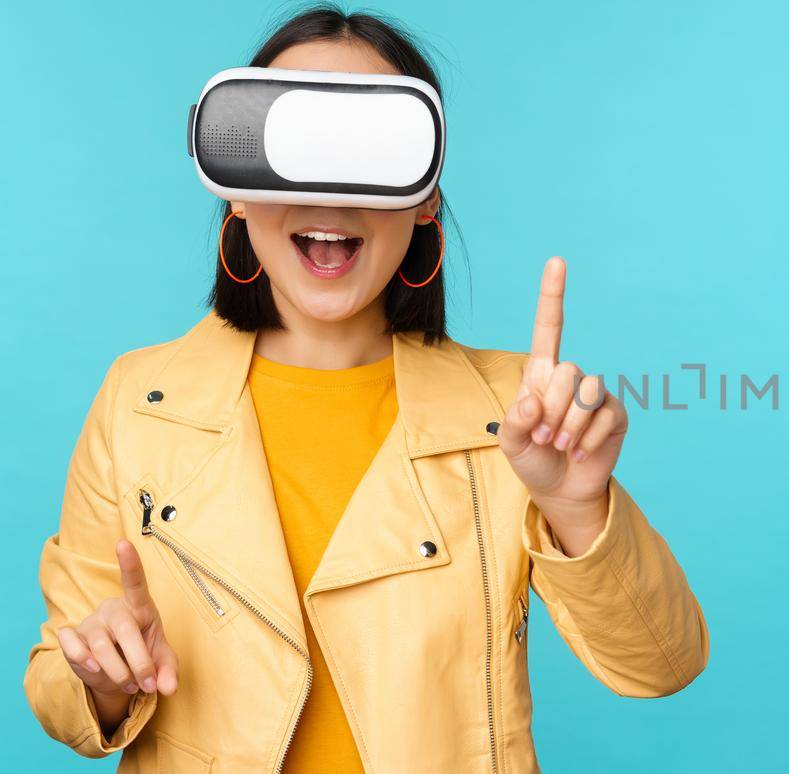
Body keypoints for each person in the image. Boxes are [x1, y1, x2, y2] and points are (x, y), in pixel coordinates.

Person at [22, 6, 708, 772]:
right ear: (237, 190)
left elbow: (661, 664)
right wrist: (104, 679)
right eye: (292, 146)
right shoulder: (138, 398)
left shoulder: (517, 416)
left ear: (425, 200)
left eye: (371, 150)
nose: (329, 194)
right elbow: (57, 684)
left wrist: (577, 508)